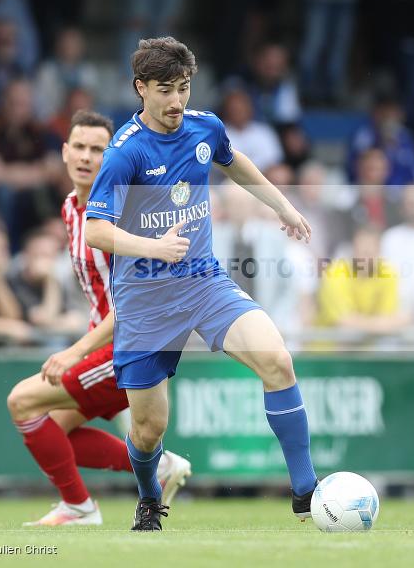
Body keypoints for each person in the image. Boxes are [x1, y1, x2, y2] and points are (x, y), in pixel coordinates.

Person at [84, 37, 318, 531]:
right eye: (165, 90)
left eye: (184, 87)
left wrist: (282, 206)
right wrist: (153, 247)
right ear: (140, 88)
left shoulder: (205, 127)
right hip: (145, 299)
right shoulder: (125, 152)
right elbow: (96, 230)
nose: (176, 100)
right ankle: (150, 497)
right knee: (149, 430)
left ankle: (307, 492)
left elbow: (235, 162)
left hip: (202, 282)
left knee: (277, 360)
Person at [6, 110, 191, 527]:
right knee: (54, 428)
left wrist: (75, 352)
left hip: (133, 341)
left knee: (22, 402)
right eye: (79, 147)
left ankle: (80, 506)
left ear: (111, 157)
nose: (86, 157)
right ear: (64, 152)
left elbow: (135, 301)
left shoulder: (122, 215)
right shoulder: (71, 208)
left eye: (97, 149)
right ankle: (157, 468)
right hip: (106, 338)